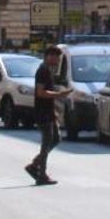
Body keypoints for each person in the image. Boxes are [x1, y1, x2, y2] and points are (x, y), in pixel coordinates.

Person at [26, 45, 70, 186]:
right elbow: (40, 93)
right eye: (57, 58)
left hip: (48, 111)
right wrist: (59, 94)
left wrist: (54, 111)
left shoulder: (47, 71)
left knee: (56, 138)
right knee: (46, 143)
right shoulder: (43, 71)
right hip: (42, 112)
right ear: (49, 57)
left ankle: (35, 165)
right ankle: (41, 174)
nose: (58, 61)